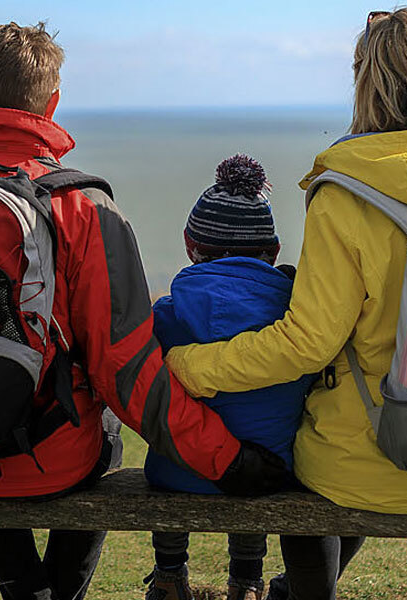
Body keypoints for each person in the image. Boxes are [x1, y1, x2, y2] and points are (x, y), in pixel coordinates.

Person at [0, 22, 287, 600]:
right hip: (57, 459)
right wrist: (229, 460)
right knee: (105, 428)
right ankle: (57, 590)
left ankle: (21, 584)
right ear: (52, 101)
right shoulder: (86, 210)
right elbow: (127, 373)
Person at [164, 8, 407, 600]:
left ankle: (307, 591)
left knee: (305, 454)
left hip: (373, 459)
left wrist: (188, 368)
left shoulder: (344, 193)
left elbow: (306, 343)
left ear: (370, 84)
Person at [142, 155, 313, 600]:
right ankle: (246, 582)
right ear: (273, 252)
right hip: (270, 473)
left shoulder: (165, 317)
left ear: (189, 245)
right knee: (256, 454)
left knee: (177, 451)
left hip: (175, 475)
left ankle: (168, 575)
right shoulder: (296, 321)